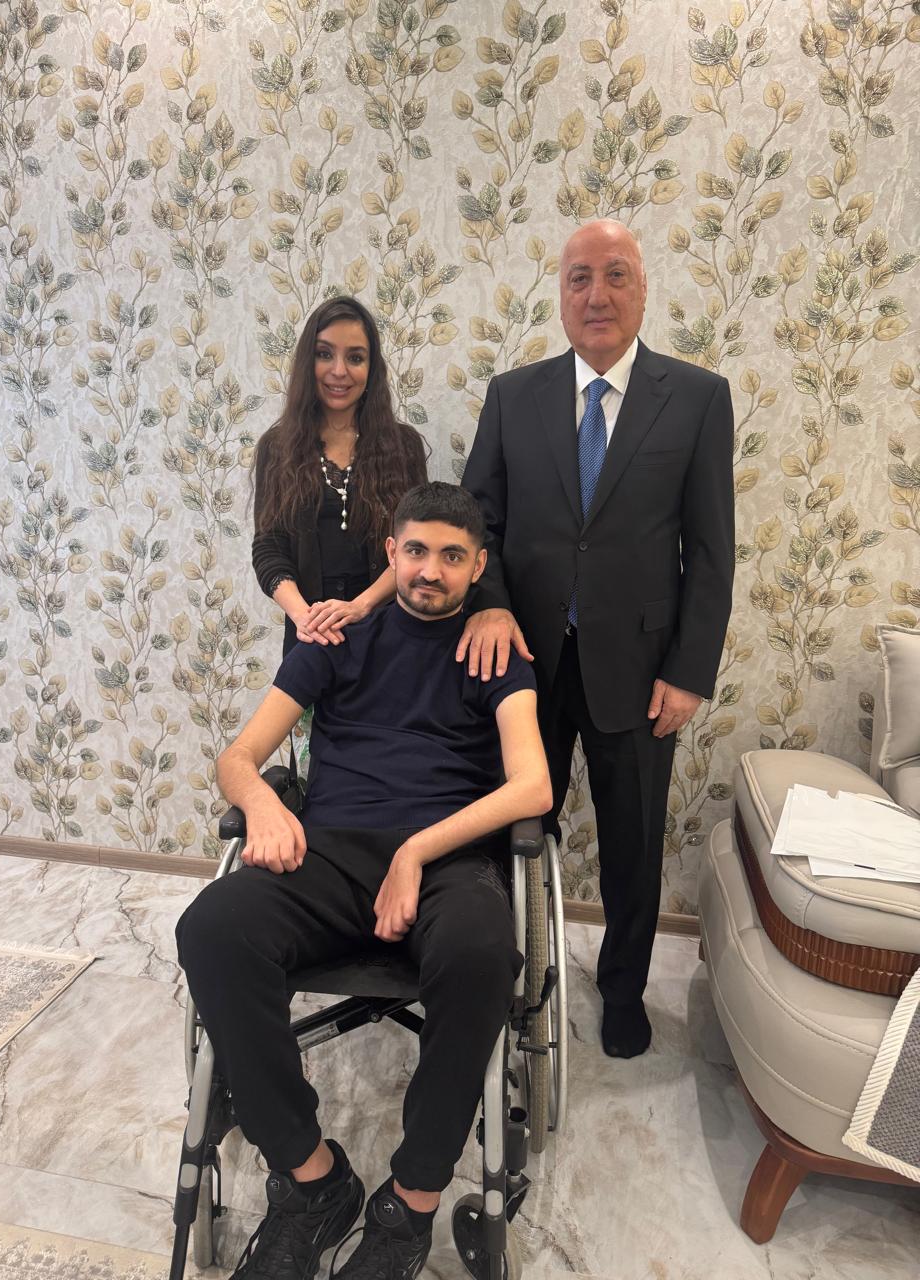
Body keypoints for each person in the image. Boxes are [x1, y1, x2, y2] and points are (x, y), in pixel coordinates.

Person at [177, 483, 552, 1280]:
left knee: (483, 954)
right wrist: (263, 806)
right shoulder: (336, 639)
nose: (430, 570)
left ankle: (410, 1203)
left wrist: (416, 852)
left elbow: (533, 788)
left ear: (477, 566)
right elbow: (239, 757)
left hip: (449, 860)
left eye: (451, 556)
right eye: (415, 551)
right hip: (332, 851)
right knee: (211, 929)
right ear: (391, 553)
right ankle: (313, 1182)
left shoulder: (494, 652)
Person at [460, 218, 735, 1059]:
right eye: (579, 277)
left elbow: (710, 549)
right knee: (514, 833)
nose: (597, 294)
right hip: (526, 666)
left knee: (632, 847)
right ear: (561, 294)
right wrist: (491, 607)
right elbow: (478, 524)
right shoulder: (513, 396)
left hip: (643, 670)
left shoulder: (697, 398)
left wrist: (690, 671)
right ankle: (507, 981)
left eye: (616, 274)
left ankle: (622, 993)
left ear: (643, 289)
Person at [252, 296, 428, 655]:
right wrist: (304, 617)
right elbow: (269, 547)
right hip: (310, 632)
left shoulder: (403, 445)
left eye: (355, 358)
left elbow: (416, 545)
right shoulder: (277, 447)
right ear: (308, 362)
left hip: (387, 630)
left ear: (371, 368)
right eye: (324, 354)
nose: (339, 370)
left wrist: (360, 606)